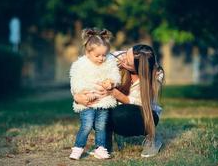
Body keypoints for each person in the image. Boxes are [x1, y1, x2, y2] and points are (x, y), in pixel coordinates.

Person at [74, 44, 164, 158]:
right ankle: (105, 143)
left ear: (138, 69)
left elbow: (140, 104)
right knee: (96, 110)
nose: (123, 58)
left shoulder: (156, 75)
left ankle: (152, 137)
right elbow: (87, 71)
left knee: (121, 113)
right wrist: (78, 96)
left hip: (144, 115)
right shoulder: (115, 57)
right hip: (113, 106)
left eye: (128, 61)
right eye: (127, 53)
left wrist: (115, 94)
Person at [69, 28, 121, 160]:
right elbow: (76, 81)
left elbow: (115, 75)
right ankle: (78, 148)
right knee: (86, 124)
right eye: (97, 55)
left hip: (103, 101)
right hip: (87, 101)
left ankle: (100, 148)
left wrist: (111, 82)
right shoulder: (80, 65)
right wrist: (85, 93)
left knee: (101, 125)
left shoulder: (109, 62)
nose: (101, 58)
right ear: (87, 53)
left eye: (104, 55)